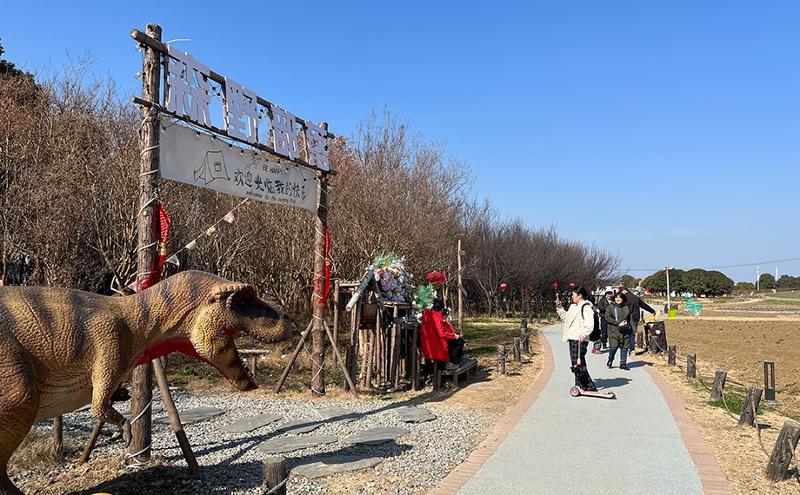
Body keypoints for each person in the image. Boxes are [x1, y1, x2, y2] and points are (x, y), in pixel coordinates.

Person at [555, 286, 597, 391]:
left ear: (580, 295)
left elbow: (589, 324)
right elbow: (566, 318)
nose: (572, 297)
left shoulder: (586, 307)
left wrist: (583, 334)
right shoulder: (573, 307)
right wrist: (559, 308)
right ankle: (579, 384)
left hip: (580, 339)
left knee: (578, 362)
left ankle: (588, 385)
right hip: (572, 338)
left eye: (573, 295)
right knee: (575, 362)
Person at [619, 287, 655, 354]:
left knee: (624, 331)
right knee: (632, 332)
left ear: (623, 291)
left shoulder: (623, 298)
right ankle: (631, 348)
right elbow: (644, 305)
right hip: (635, 316)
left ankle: (624, 346)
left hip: (626, 317)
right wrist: (652, 311)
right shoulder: (635, 297)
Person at [604, 292, 631, 370]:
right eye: (616, 297)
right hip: (614, 330)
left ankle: (623, 363)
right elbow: (607, 317)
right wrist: (617, 323)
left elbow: (630, 318)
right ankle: (610, 359)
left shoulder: (626, 307)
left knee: (625, 347)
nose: (618, 299)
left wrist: (631, 327)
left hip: (625, 330)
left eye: (620, 297)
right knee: (614, 347)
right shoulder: (611, 307)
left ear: (623, 299)